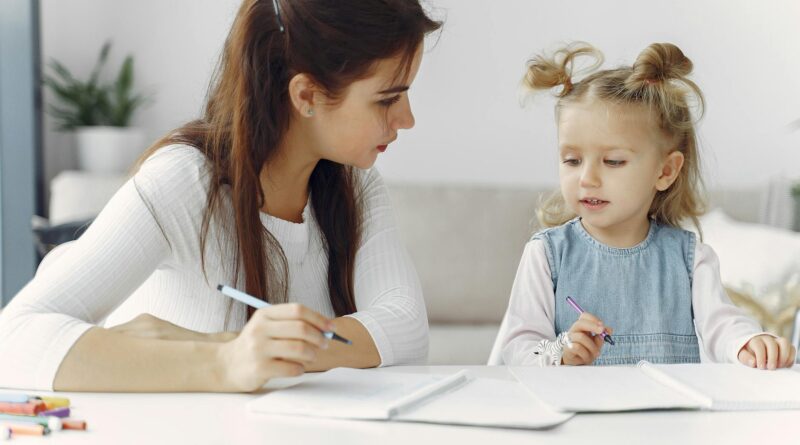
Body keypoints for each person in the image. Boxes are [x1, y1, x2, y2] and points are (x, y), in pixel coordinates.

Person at [0, 0, 441, 392]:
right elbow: (14, 338)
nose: (408, 119)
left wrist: (239, 346)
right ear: (306, 94)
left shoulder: (356, 186)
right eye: (388, 99)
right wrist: (225, 362)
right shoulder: (186, 182)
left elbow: (405, 328)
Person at [489, 42, 796, 368]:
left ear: (665, 171)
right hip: (578, 418)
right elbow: (518, 348)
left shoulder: (690, 259)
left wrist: (749, 342)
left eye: (613, 161)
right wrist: (561, 353)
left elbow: (722, 325)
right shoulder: (547, 255)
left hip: (667, 418)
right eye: (572, 160)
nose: (587, 178)